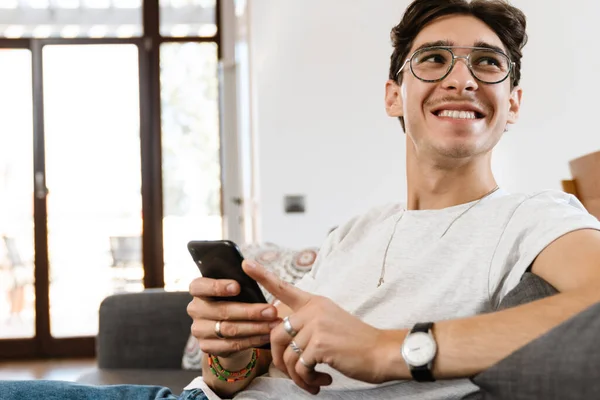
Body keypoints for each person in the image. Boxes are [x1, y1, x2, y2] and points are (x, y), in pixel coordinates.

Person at [2, 0, 600, 399]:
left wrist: (393, 348)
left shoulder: (532, 216)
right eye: (435, 58)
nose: (463, 79)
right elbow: (254, 376)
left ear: (513, 103)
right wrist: (229, 357)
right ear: (394, 96)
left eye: (488, 64)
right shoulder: (356, 230)